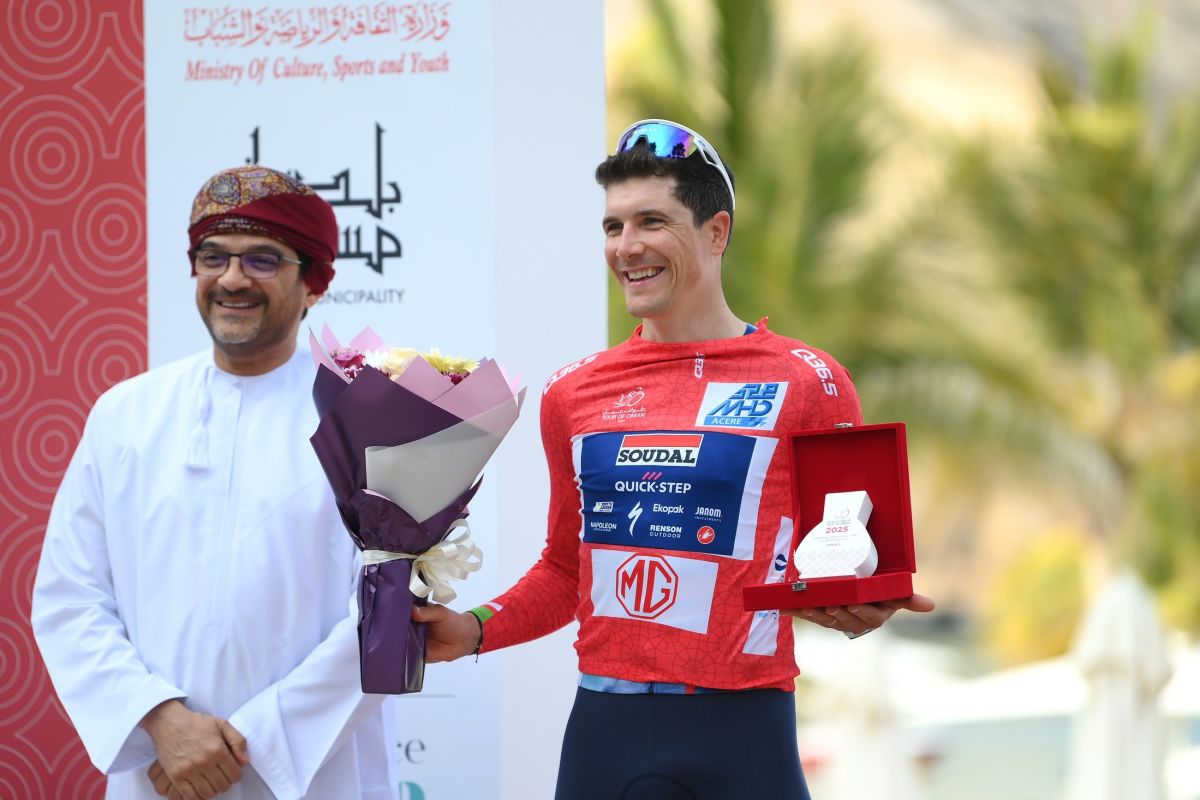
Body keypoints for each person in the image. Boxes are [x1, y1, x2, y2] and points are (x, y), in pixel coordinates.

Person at [414, 119, 935, 799]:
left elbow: (845, 557)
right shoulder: (574, 391)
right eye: (613, 226)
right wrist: (472, 629)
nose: (626, 246)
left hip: (746, 733)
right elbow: (567, 568)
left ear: (716, 232)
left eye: (651, 222)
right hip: (606, 730)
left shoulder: (809, 381)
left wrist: (863, 599)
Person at [31, 166, 392, 800]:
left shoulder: (366, 417)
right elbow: (71, 594)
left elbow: (389, 612)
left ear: (314, 282)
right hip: (161, 770)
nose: (231, 279)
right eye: (213, 257)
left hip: (318, 774)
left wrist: (257, 738)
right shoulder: (126, 414)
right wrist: (158, 719)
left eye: (262, 259)